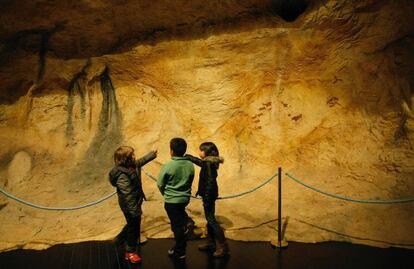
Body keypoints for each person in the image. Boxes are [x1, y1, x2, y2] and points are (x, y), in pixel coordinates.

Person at [109, 146, 157, 264]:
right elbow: (128, 195)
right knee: (134, 227)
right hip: (129, 204)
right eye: (132, 155)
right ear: (125, 159)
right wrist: (135, 211)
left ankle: (119, 239)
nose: (135, 157)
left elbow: (141, 161)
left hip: (135, 202)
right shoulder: (122, 175)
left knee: (132, 224)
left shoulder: (132, 165)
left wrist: (152, 154)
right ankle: (130, 252)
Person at [185, 142, 229, 258]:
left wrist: (207, 197)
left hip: (209, 196)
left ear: (206, 152)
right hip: (208, 195)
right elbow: (201, 163)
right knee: (209, 219)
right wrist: (190, 157)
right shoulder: (208, 162)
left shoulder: (209, 163)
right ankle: (211, 243)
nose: (199, 152)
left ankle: (223, 247)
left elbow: (210, 181)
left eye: (200, 150)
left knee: (211, 220)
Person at [157, 138, 194, 259]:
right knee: (179, 216)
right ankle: (187, 222)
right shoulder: (190, 164)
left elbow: (160, 184)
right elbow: (190, 179)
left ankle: (180, 251)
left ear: (171, 151)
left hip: (172, 200)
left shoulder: (168, 165)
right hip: (185, 198)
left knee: (176, 226)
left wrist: (166, 193)